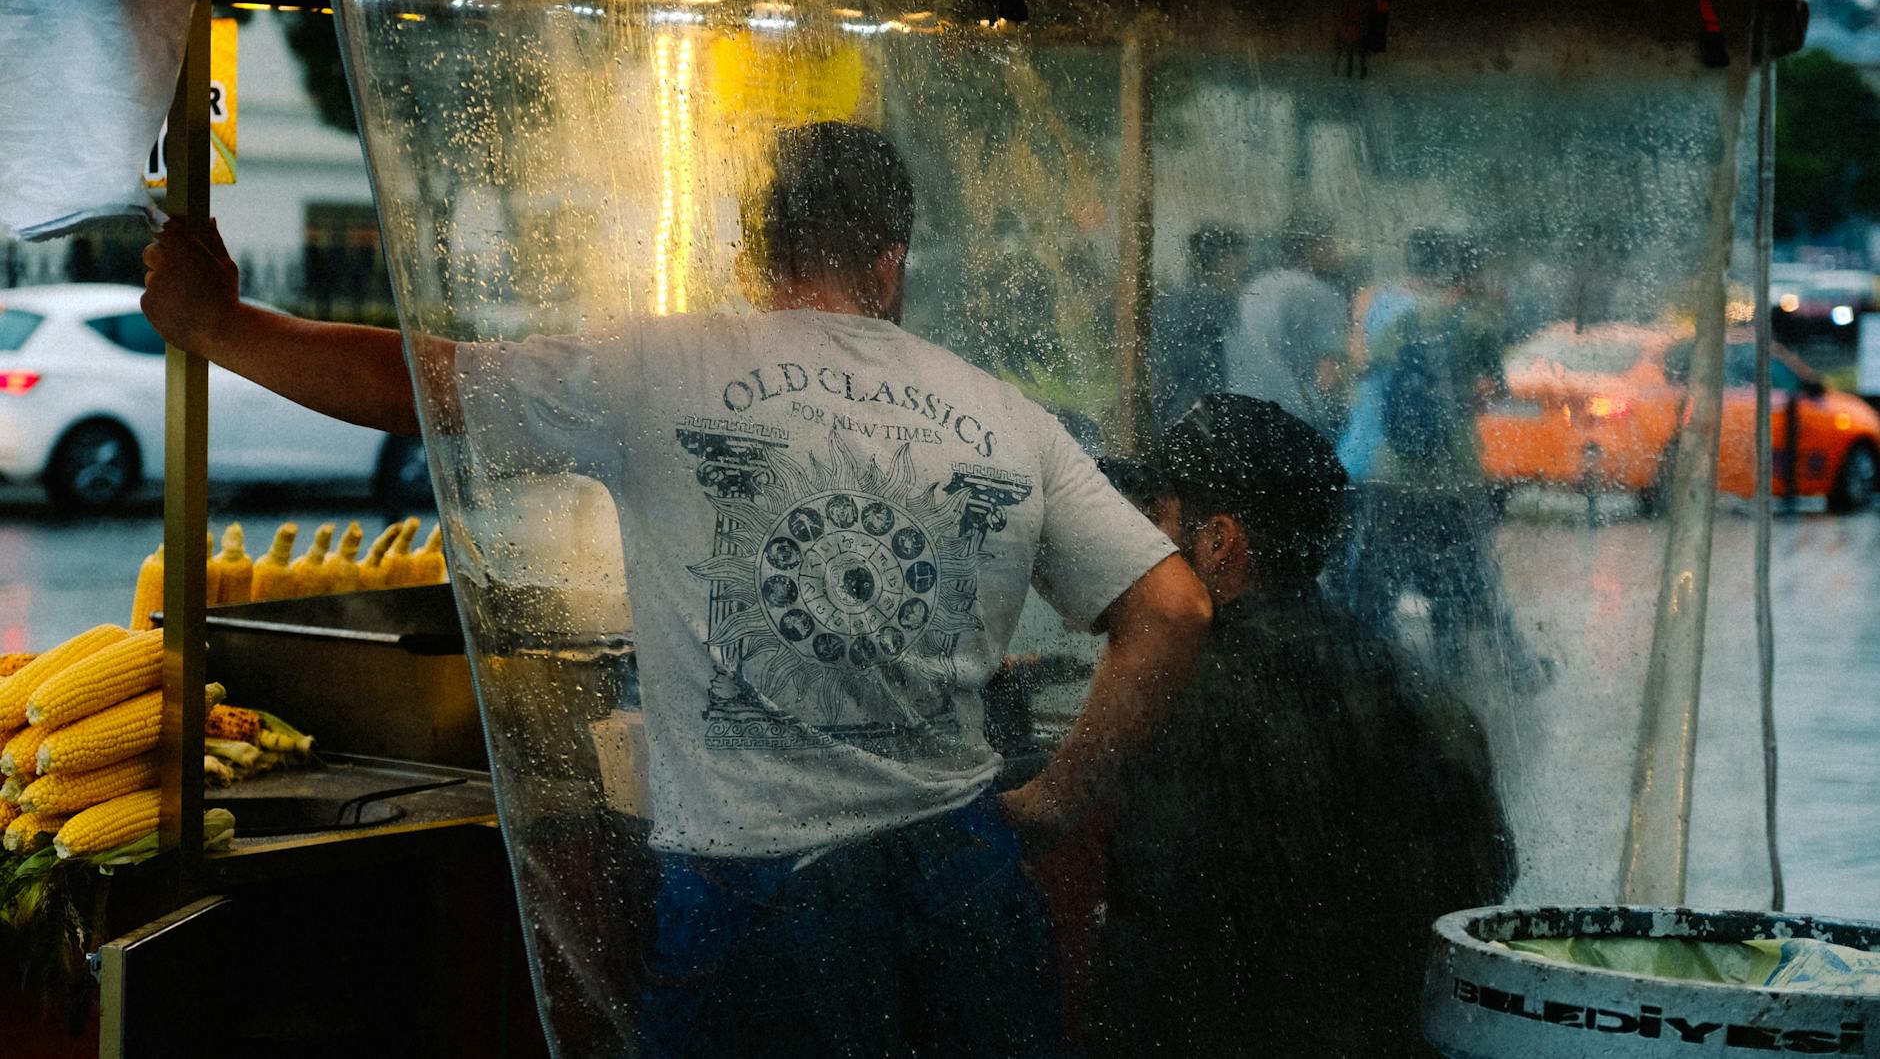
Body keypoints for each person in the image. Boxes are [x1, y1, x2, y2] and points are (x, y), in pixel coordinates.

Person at [141, 121, 1213, 1057]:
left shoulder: (660, 366)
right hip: (960, 883)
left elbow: (426, 383)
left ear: (757, 249)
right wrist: (1061, 795)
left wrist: (222, 325)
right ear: (890, 261)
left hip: (756, 897)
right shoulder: (1003, 413)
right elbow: (1170, 606)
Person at [1090, 394, 1517, 1057]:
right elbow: (1487, 875)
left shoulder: (1187, 700)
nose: (1142, 541)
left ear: (1218, 543)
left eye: (1160, 516)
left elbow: (1150, 940)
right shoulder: (1406, 683)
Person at [1335, 229, 1546, 686]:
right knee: (1462, 581)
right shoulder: (1473, 323)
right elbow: (1492, 389)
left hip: (1391, 471)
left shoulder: (1398, 322)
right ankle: (1458, 677)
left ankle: (1366, 676)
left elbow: (1365, 370)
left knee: (1374, 584)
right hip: (1455, 474)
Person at [1223, 220, 1350, 437]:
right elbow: (1327, 374)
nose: (1336, 252)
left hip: (1241, 405)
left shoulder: (1256, 286)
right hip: (1295, 413)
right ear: (1314, 246)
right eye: (1330, 244)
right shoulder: (1318, 293)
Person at [1150, 225, 1249, 429]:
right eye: (1237, 261)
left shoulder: (1181, 301)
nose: (1243, 269)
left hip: (1185, 416)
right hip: (1196, 418)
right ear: (1221, 262)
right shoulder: (1211, 308)